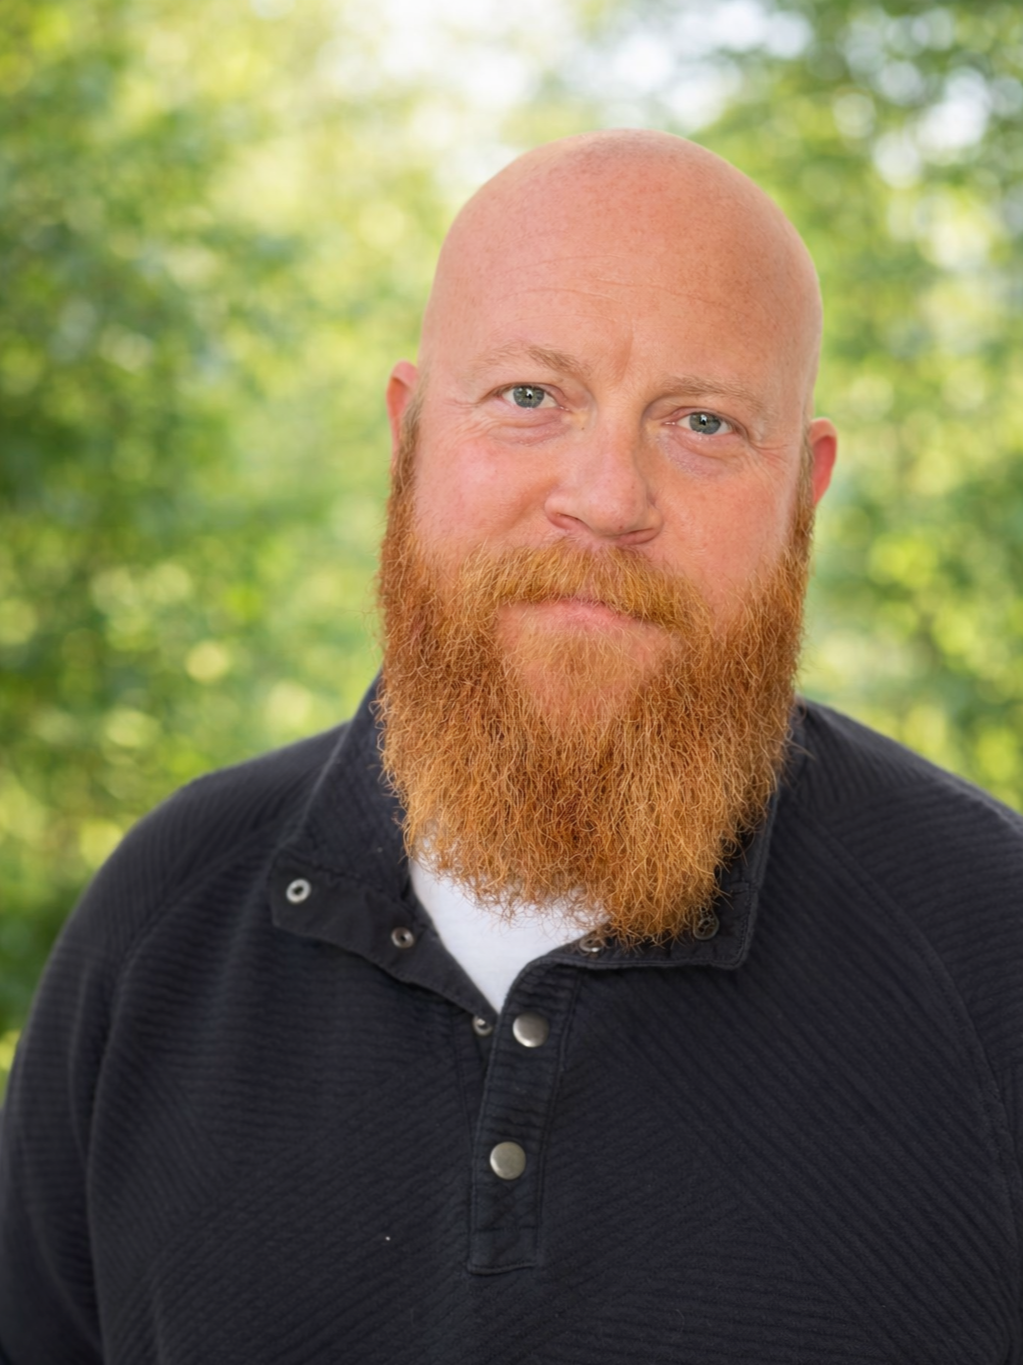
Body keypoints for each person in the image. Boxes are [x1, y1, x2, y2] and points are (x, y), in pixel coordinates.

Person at [2, 129, 1022, 1364]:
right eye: (530, 398)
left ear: (803, 493)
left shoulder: (994, 947)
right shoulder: (162, 921)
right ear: (411, 433)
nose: (605, 497)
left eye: (701, 423)